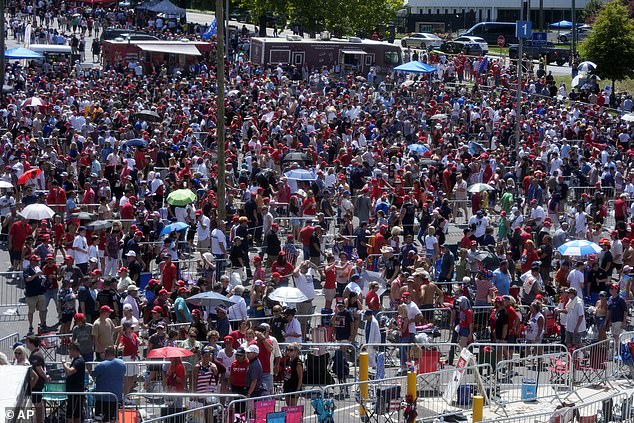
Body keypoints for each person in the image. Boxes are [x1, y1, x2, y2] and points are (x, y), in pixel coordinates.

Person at [26, 335, 49, 423]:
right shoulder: (36, 353)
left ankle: (39, 421)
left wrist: (45, 377)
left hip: (36, 384)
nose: (26, 344)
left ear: (31, 343)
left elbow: (39, 370)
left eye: (27, 342)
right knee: (38, 403)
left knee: (37, 404)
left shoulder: (36, 355)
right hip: (36, 383)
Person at [62, 342, 86, 423]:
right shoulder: (76, 360)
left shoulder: (79, 361)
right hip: (73, 392)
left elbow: (70, 371)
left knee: (73, 415)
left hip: (75, 392)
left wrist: (64, 363)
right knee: (74, 414)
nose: (69, 352)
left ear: (73, 350)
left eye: (69, 350)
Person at [23, 254, 47, 334]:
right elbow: (27, 279)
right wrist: (36, 274)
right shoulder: (27, 269)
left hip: (40, 292)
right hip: (31, 294)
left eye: (38, 261)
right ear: (32, 261)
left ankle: (43, 324)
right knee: (31, 311)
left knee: (43, 310)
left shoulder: (38, 268)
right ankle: (30, 325)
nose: (38, 262)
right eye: (36, 261)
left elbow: (41, 278)